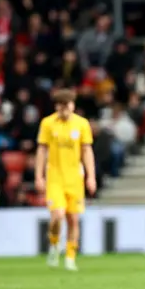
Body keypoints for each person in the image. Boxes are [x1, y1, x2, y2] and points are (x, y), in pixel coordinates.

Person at [35, 89, 97, 271]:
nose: (65, 109)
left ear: (73, 105)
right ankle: (54, 244)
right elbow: (41, 150)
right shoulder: (47, 123)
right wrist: (39, 176)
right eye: (61, 106)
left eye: (68, 105)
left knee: (73, 219)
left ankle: (70, 257)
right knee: (58, 216)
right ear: (57, 107)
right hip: (54, 177)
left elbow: (87, 151)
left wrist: (91, 176)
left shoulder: (82, 124)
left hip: (75, 179)